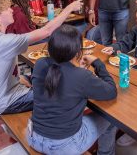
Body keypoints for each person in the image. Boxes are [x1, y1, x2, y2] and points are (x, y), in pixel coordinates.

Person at [0, 0, 84, 117]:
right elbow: (47, 31)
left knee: (46, 76)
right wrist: (69, 8)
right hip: (8, 101)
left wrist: (17, 78)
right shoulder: (3, 41)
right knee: (63, 92)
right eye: (7, 8)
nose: (12, 10)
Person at [28, 25, 117, 155]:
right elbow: (111, 91)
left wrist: (81, 73)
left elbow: (64, 83)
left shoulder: (40, 64)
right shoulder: (81, 76)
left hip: (34, 137)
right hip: (63, 146)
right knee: (110, 119)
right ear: (77, 51)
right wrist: (97, 63)